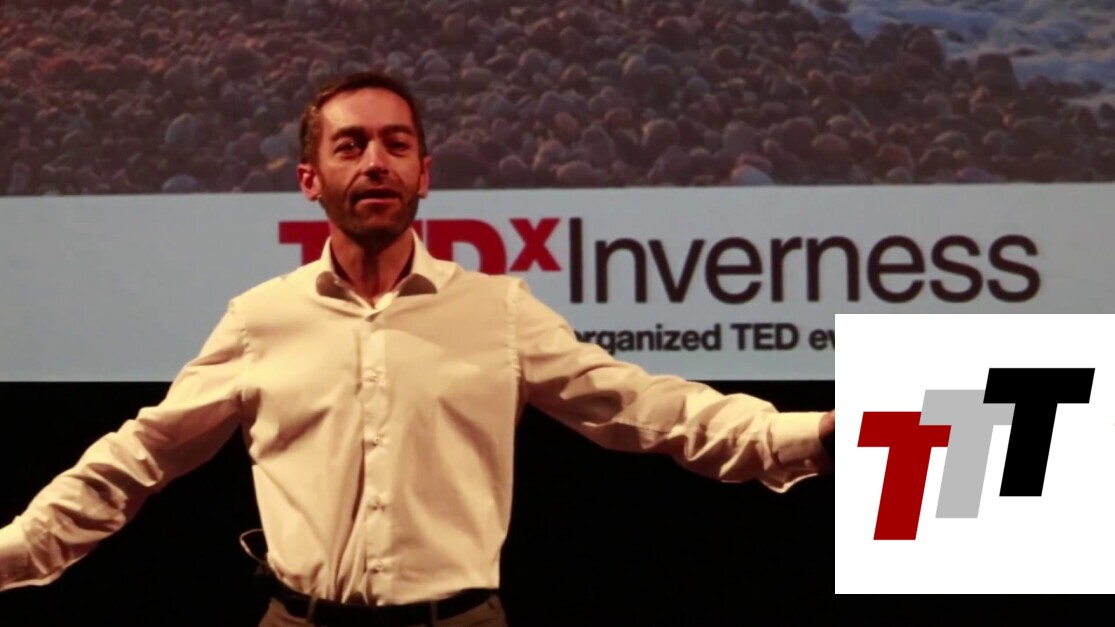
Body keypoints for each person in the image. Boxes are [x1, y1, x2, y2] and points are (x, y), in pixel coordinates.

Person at [0, 71, 835, 626]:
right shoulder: (261, 319)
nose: (376, 162)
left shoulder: (498, 311)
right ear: (309, 179)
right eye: (350, 144)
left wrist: (805, 434)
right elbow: (138, 456)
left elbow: (645, 406)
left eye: (396, 145)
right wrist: (13, 554)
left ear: (424, 174)